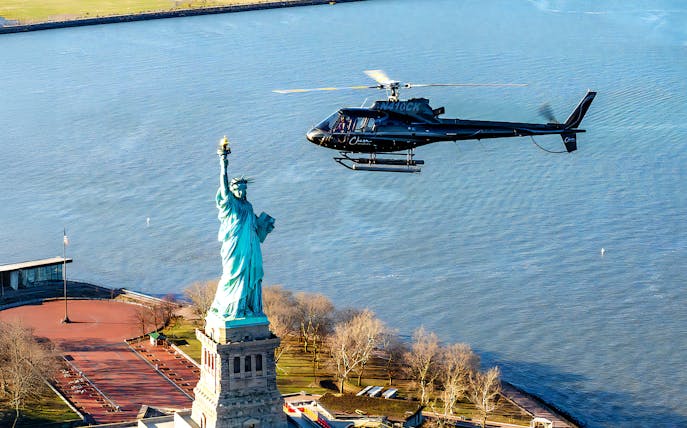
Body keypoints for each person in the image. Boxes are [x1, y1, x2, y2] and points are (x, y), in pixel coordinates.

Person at [208, 138, 275, 320]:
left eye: (244, 189)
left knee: (253, 272)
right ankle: (231, 309)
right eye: (238, 189)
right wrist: (223, 163)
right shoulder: (230, 205)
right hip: (235, 246)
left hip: (252, 245)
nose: (242, 192)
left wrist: (265, 226)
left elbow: (254, 226)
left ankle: (249, 309)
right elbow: (223, 184)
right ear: (232, 190)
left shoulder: (248, 205)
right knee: (232, 275)